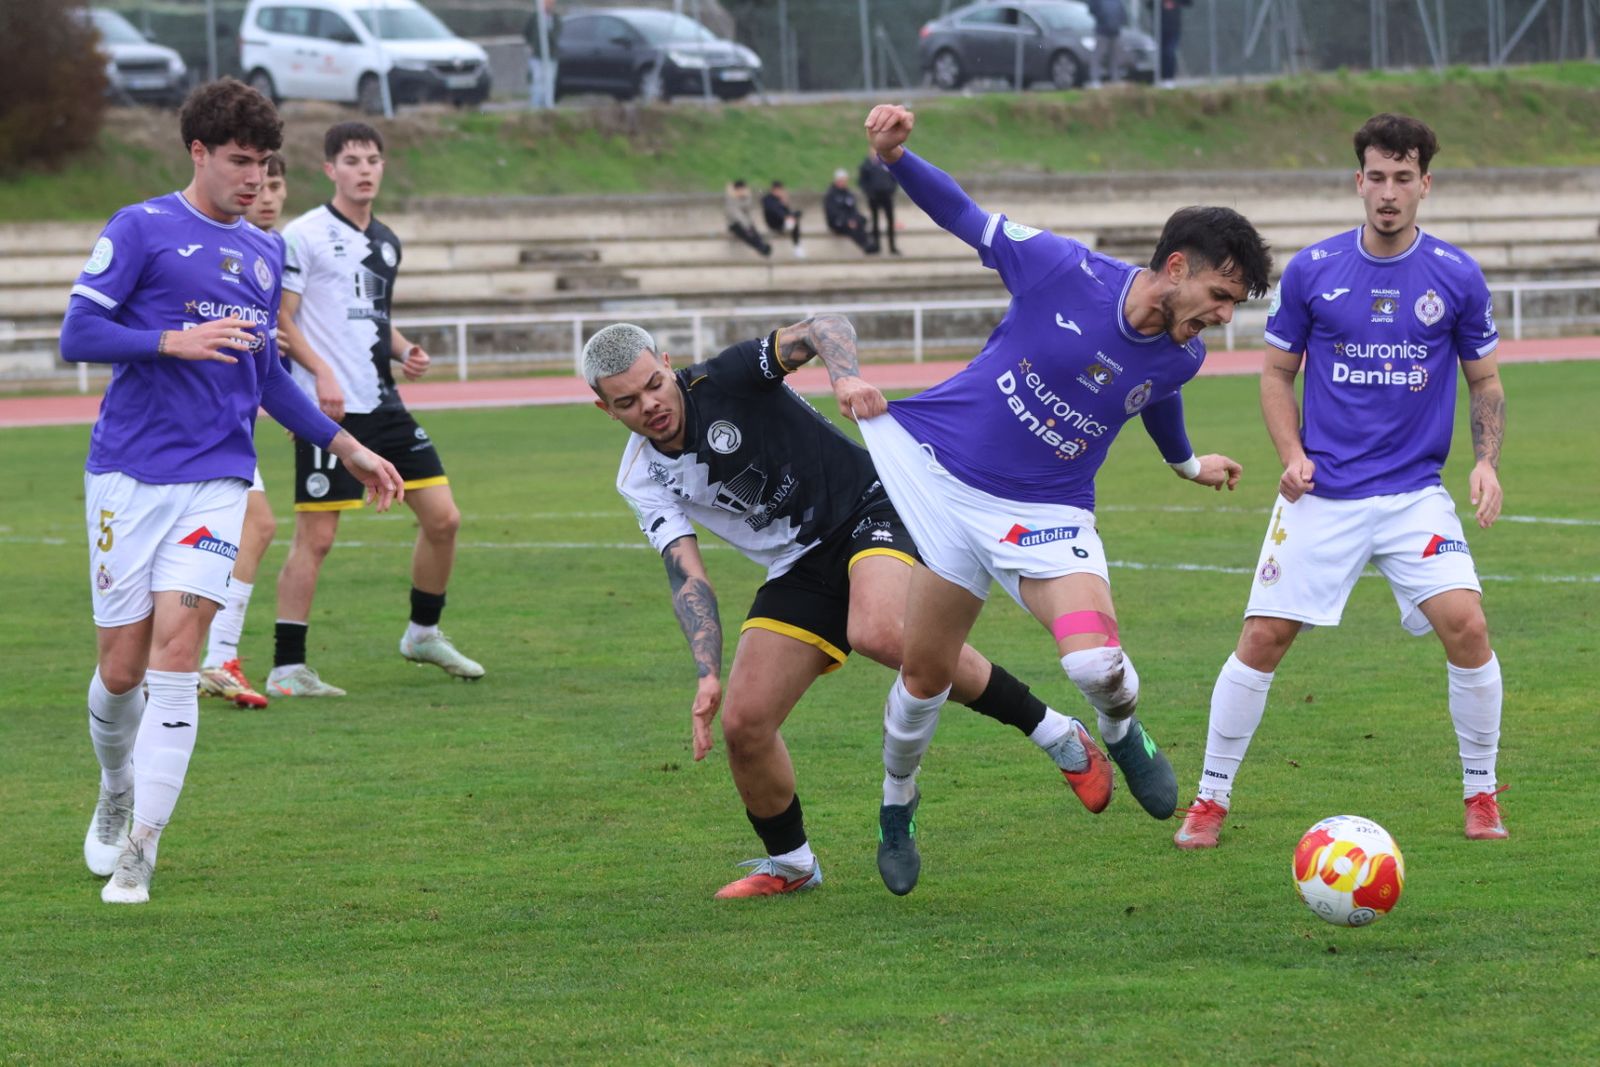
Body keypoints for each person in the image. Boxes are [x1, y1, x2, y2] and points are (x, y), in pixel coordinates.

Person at [853, 103, 1272, 894]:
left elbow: (1154, 395)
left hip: (1048, 515)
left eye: (1233, 305)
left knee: (1096, 662)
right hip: (945, 487)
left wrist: (1186, 465)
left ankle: (1119, 729)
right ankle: (896, 805)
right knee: (922, 680)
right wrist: (895, 160)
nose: (1222, 315)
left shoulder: (1184, 357)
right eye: (1220, 294)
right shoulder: (1059, 267)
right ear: (1176, 265)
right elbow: (967, 217)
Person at [584, 317, 1115, 899]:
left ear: (667, 361)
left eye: (655, 383)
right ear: (606, 411)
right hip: (799, 565)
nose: (651, 405)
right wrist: (707, 673)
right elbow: (685, 570)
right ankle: (792, 865)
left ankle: (1058, 734)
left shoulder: (727, 377)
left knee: (882, 632)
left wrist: (845, 378)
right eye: (628, 402)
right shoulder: (640, 476)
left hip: (870, 508)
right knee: (744, 724)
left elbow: (825, 327)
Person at [61, 79, 404, 904]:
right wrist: (171, 340)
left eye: (264, 165)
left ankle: (143, 848)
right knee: (120, 668)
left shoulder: (262, 252)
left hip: (216, 477)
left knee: (178, 652)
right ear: (200, 153)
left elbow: (264, 380)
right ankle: (116, 789)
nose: (254, 180)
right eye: (240, 162)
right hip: (126, 477)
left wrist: (345, 441)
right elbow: (78, 331)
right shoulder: (141, 228)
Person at [1174, 114, 1511, 849]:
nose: (1389, 193)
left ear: (1425, 184)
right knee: (1263, 636)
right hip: (1322, 492)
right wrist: (1290, 451)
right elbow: (1274, 374)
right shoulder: (1313, 270)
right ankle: (1209, 799)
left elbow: (1484, 381)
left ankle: (1481, 794)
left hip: (1413, 495)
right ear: (1359, 182)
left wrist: (1485, 461)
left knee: (1469, 625)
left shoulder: (1456, 275)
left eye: (1403, 178)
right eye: (1376, 177)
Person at [269, 122, 485, 696]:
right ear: (329, 170)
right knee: (316, 539)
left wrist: (404, 348)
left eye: (372, 160)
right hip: (327, 410)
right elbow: (283, 319)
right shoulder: (304, 235)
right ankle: (288, 667)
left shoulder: (387, 241)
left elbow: (371, 318)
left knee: (444, 518)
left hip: (385, 403)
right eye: (352, 160)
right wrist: (321, 375)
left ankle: (422, 632)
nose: (364, 169)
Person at [197, 149, 289, 710]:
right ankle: (206, 658)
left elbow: (268, 352)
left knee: (254, 528)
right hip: (185, 431)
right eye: (260, 180)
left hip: (227, 428)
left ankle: (208, 658)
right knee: (255, 526)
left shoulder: (269, 252)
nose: (268, 193)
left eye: (277, 183)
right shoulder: (204, 246)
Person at [824, 168, 877, 255]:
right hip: (838, 222)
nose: (844, 182)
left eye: (845, 180)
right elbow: (833, 212)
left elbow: (853, 209)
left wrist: (854, 218)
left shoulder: (848, 193)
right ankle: (864, 245)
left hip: (850, 219)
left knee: (861, 220)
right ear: (837, 180)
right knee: (851, 227)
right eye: (842, 180)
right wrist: (847, 221)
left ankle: (868, 242)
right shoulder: (831, 194)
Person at [858, 153, 901, 256]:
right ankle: (876, 245)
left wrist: (891, 190)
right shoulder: (866, 165)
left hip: (887, 196)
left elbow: (895, 177)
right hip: (873, 197)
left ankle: (892, 246)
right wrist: (869, 193)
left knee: (890, 221)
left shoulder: (887, 163)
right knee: (875, 221)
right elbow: (862, 181)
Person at [524, 0, 560, 108]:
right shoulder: (535, 17)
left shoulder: (555, 19)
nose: (548, 6)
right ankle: (535, 106)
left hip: (551, 56)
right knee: (537, 80)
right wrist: (530, 44)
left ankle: (548, 105)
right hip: (536, 56)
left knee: (549, 81)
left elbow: (555, 37)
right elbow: (526, 32)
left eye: (550, 3)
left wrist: (547, 26)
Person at [724, 179, 772, 258]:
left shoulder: (745, 198)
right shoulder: (731, 200)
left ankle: (762, 246)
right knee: (747, 234)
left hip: (746, 222)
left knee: (754, 233)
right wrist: (747, 225)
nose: (742, 192)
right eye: (741, 190)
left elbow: (748, 208)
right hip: (734, 224)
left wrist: (747, 197)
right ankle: (761, 247)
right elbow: (737, 215)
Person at [1088, 0, 1127, 88]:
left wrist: (1119, 23)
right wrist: (1102, 18)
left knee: (1115, 57)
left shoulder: (1117, 1)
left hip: (1115, 31)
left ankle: (1115, 79)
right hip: (1102, 31)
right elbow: (1092, 9)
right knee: (1098, 56)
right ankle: (1095, 80)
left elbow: (1122, 12)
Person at [761, 180, 805, 258]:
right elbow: (775, 211)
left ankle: (797, 246)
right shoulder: (767, 199)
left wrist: (785, 204)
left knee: (797, 214)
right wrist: (786, 216)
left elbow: (788, 212)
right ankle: (786, 226)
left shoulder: (780, 199)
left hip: (785, 221)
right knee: (791, 220)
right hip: (774, 223)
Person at [1155, 0, 1191, 88]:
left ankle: (1169, 79)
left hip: (1174, 28)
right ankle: (1162, 78)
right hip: (1160, 29)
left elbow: (1188, 3)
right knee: (1161, 54)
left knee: (1169, 52)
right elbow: (1149, 5)